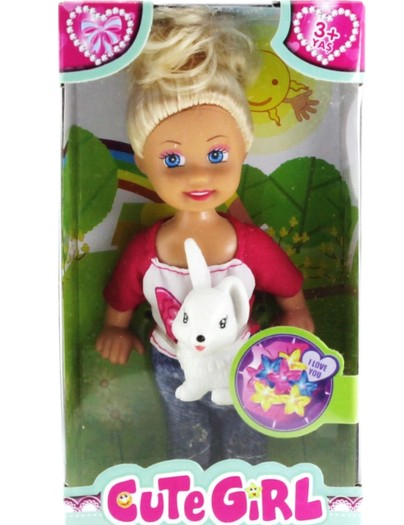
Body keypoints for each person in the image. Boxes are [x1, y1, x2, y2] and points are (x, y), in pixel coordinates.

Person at [96, 7, 314, 468]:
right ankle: (189, 492)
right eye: (172, 160)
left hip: (243, 359)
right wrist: (115, 329)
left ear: (242, 150)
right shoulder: (148, 251)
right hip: (172, 358)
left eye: (217, 155)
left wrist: (297, 316)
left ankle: (250, 488)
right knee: (186, 435)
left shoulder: (246, 245)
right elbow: (122, 298)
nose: (198, 175)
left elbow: (288, 288)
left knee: (246, 432)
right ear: (144, 161)